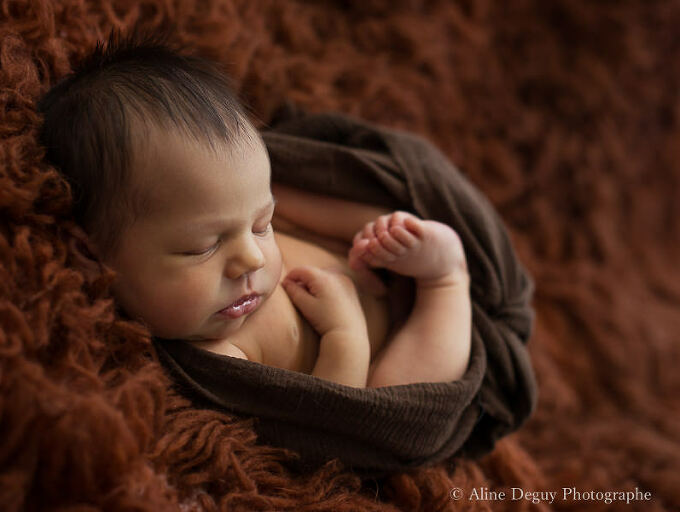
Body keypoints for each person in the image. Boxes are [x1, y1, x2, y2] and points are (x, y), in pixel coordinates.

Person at [38, 32, 471, 388]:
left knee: (298, 207)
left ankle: (391, 228)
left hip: (363, 257)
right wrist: (347, 335)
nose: (253, 258)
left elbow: (257, 212)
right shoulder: (221, 356)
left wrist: (377, 235)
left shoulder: (236, 225)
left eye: (259, 225)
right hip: (394, 343)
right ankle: (446, 283)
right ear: (97, 257)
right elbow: (329, 427)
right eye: (202, 248)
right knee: (394, 401)